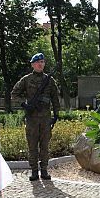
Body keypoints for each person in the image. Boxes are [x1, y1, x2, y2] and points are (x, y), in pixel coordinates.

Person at [11, 53, 60, 181]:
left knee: (45, 146)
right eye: (38, 62)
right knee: (32, 146)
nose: (40, 64)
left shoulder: (50, 80)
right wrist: (24, 104)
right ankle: (34, 171)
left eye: (43, 62)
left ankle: (44, 170)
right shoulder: (26, 79)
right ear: (33, 64)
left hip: (45, 118)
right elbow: (14, 94)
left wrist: (56, 114)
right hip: (32, 118)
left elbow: (55, 99)